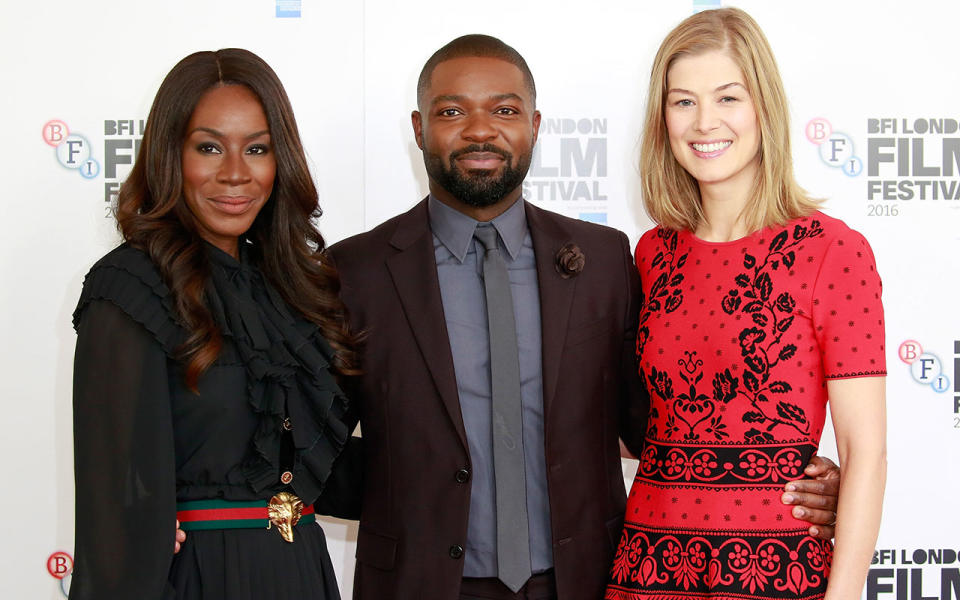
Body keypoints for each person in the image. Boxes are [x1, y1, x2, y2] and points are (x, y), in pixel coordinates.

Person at [326, 34, 844, 600]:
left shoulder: (603, 260)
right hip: (416, 584)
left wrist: (783, 477)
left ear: (535, 125)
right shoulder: (356, 271)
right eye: (451, 111)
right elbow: (310, 447)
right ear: (419, 128)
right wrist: (406, 499)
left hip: (588, 583)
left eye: (504, 110)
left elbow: (660, 424)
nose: (480, 129)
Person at [605, 8, 886, 600]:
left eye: (728, 97)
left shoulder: (834, 251)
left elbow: (866, 451)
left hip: (776, 575)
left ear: (764, 107)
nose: (704, 122)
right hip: (648, 571)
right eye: (682, 102)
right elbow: (634, 424)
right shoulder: (651, 253)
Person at [70, 48, 360, 600]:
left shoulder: (295, 288)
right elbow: (114, 500)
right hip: (197, 578)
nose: (235, 173)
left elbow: (334, 471)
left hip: (300, 571)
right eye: (209, 147)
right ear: (169, 156)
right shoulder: (130, 286)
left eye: (257, 149)